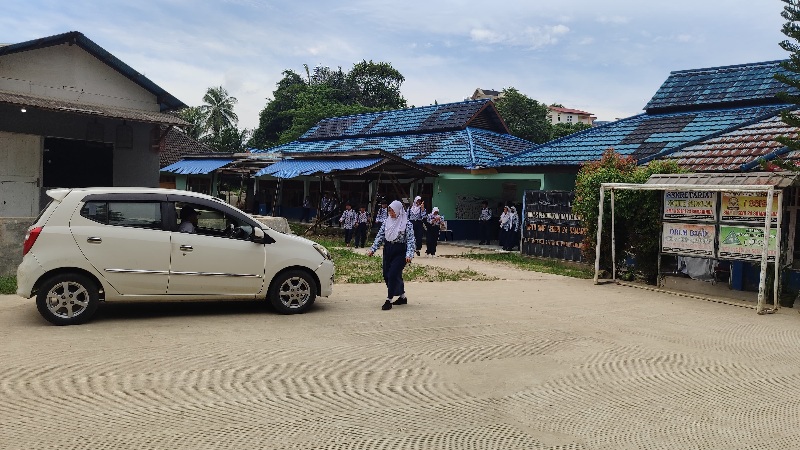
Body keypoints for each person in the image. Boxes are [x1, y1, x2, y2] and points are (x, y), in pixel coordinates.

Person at [367, 200, 415, 310]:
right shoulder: (386, 222)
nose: (391, 213)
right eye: (389, 210)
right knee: (386, 274)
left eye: (393, 211)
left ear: (398, 211)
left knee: (393, 274)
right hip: (388, 249)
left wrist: (409, 254)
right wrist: (373, 249)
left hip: (400, 251)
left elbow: (411, 240)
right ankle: (402, 297)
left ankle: (389, 299)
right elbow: (380, 236)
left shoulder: (407, 224)